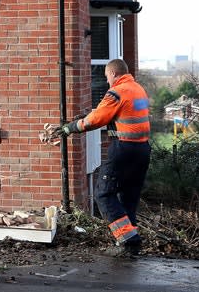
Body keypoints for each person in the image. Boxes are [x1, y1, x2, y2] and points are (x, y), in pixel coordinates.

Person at [55, 58, 151, 257]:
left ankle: (129, 239)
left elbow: (96, 120)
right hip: (142, 149)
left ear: (114, 74)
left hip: (124, 149)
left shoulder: (117, 91)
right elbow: (116, 113)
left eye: (107, 77)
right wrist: (86, 115)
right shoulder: (137, 89)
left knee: (103, 193)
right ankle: (130, 240)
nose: (107, 81)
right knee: (128, 196)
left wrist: (69, 128)